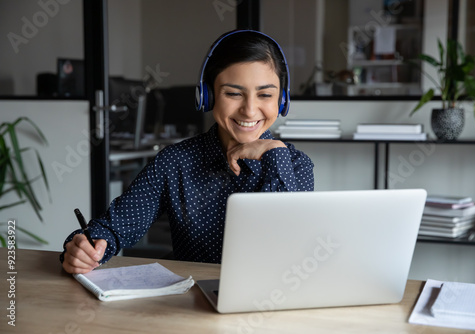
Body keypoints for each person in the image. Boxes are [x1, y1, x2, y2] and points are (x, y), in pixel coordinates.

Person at [61, 30, 314, 274]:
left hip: (269, 305)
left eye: (265, 94)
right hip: (190, 305)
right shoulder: (175, 162)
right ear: (207, 95)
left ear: (282, 100)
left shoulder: (295, 165)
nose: (249, 110)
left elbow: (288, 249)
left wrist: (274, 154)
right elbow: (114, 227)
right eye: (233, 93)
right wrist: (85, 247)